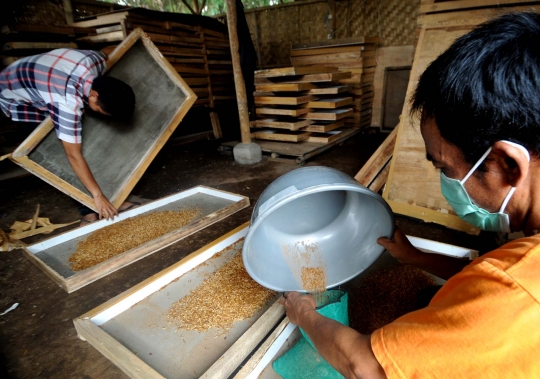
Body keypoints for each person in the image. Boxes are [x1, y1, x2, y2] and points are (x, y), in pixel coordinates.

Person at [280, 12, 540, 378]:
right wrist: (416, 257)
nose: (447, 182)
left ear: (506, 165)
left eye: (445, 168)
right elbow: (487, 276)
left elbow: (364, 366)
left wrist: (304, 313)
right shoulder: (519, 264)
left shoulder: (518, 295)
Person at [0, 48, 136, 224]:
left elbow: (109, 50)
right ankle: (88, 211)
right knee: (59, 154)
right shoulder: (66, 102)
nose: (102, 115)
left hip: (40, 78)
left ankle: (110, 197)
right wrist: (97, 195)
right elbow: (73, 155)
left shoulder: (94, 60)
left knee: (79, 137)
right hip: (14, 94)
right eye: (102, 110)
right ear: (94, 95)